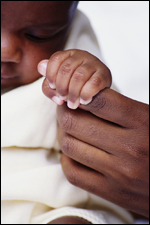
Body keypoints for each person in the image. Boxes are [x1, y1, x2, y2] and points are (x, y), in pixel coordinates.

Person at [1, 1, 134, 224]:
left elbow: (116, 139)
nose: (6, 51)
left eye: (38, 35)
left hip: (53, 208)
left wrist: (84, 82)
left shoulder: (67, 60)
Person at [42, 1, 149, 223]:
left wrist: (81, 77)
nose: (7, 50)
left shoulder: (67, 47)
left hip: (61, 206)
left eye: (38, 35)